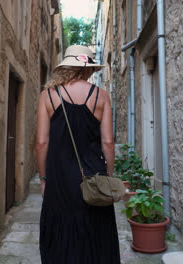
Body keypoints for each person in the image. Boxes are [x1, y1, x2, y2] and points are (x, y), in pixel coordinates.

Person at [36, 45, 121, 263]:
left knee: (60, 231)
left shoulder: (47, 96)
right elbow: (108, 143)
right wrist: (108, 178)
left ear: (66, 67)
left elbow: (42, 142)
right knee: (95, 232)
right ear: (88, 69)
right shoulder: (101, 96)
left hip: (59, 178)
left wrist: (44, 178)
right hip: (93, 176)